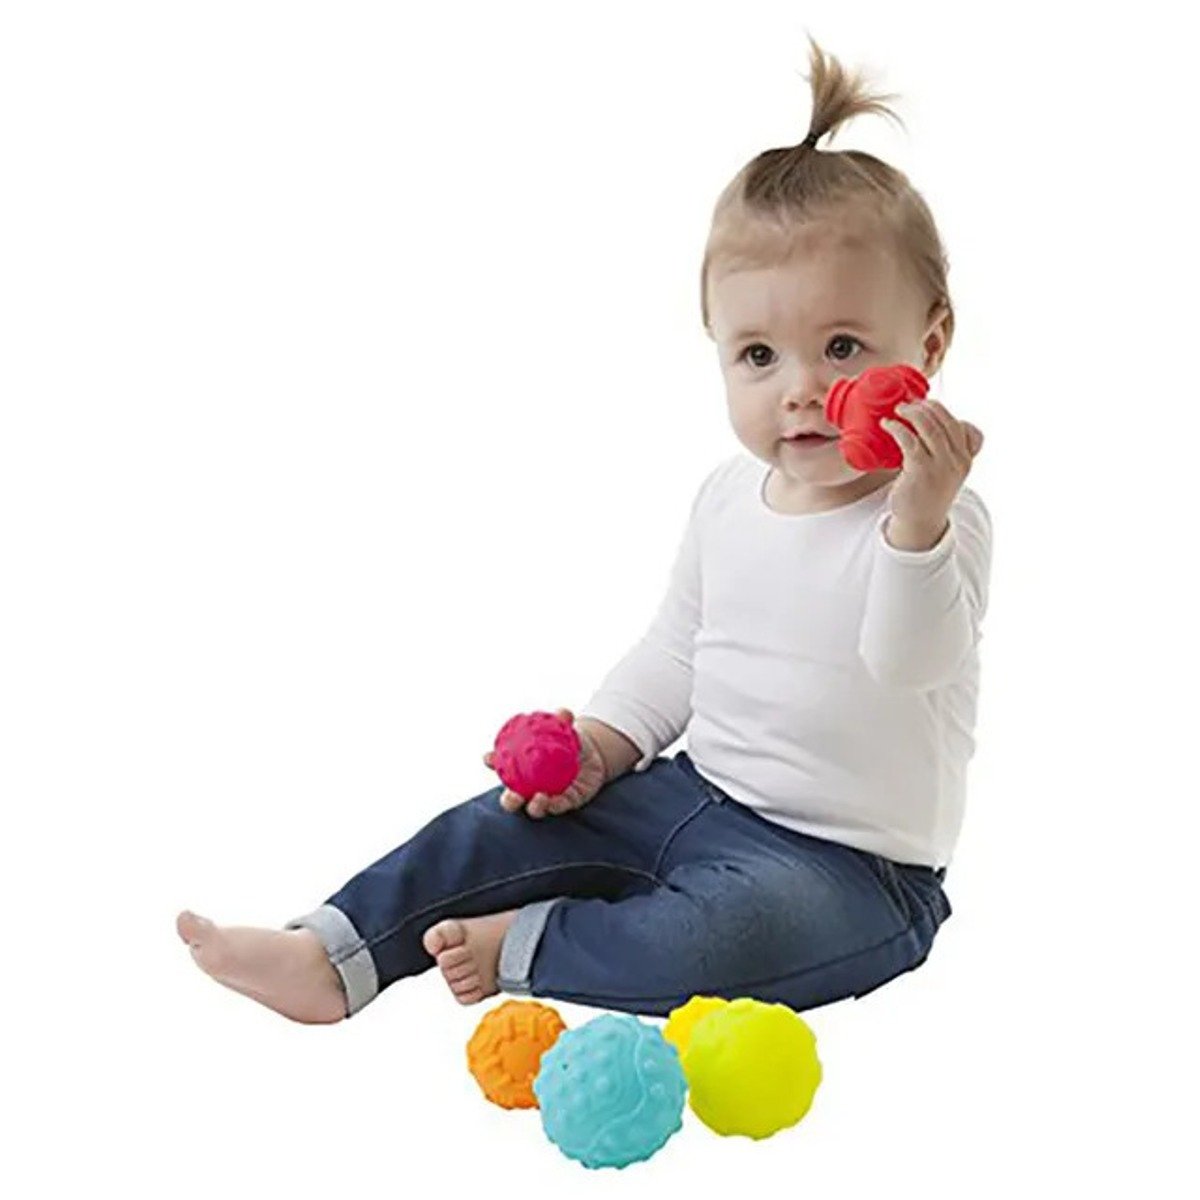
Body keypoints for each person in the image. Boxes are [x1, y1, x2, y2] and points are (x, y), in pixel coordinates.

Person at [176, 35, 991, 1026]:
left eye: (844, 347)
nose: (802, 390)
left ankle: (530, 943)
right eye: (759, 355)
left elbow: (911, 664)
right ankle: (333, 950)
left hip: (850, 870)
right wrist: (603, 745)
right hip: (690, 795)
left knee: (725, 940)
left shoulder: (936, 514)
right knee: (488, 830)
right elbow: (677, 652)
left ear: (930, 343)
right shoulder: (729, 499)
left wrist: (917, 522)